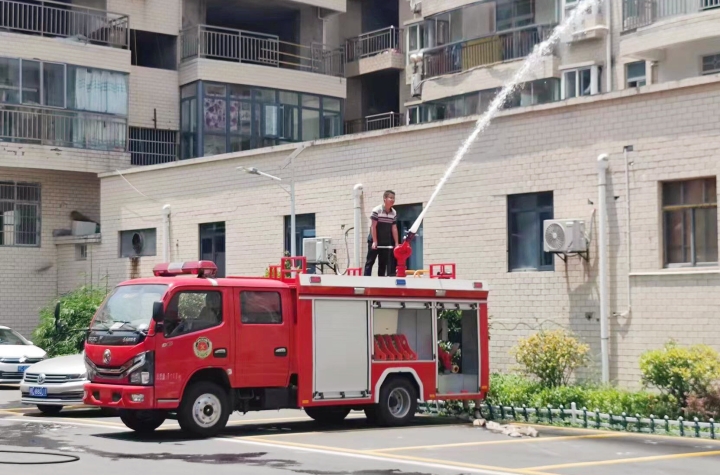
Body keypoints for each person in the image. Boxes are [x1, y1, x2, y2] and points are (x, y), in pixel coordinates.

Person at [364, 190, 399, 276]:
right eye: (390, 198)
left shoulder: (394, 212)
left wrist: (396, 243)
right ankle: (365, 281)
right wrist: (375, 241)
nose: (393, 200)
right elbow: (373, 226)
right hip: (374, 240)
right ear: (385, 199)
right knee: (370, 262)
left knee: (383, 265)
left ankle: (381, 282)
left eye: (394, 198)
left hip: (385, 242)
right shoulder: (377, 210)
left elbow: (394, 228)